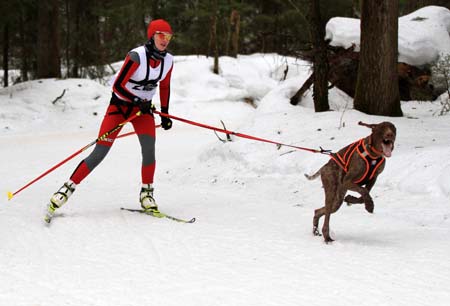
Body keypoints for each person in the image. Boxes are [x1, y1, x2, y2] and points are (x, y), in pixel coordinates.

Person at [44, 19, 174, 222]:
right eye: (160, 35)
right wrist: (137, 100)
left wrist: (165, 114)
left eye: (168, 36)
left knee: (149, 150)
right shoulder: (136, 56)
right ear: (151, 35)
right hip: (119, 109)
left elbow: (164, 87)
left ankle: (147, 194)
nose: (165, 40)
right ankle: (65, 191)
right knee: (100, 152)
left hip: (143, 112)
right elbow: (118, 85)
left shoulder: (168, 61)